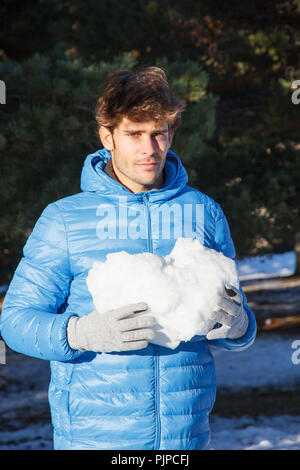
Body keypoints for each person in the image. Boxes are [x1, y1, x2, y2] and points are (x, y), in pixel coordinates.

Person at [0, 67, 256, 450]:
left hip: (185, 439)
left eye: (158, 134)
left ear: (172, 134)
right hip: (95, 438)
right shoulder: (65, 219)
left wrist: (239, 326)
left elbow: (235, 317)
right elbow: (15, 321)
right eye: (134, 134)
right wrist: (78, 333)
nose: (149, 149)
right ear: (108, 136)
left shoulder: (204, 212)